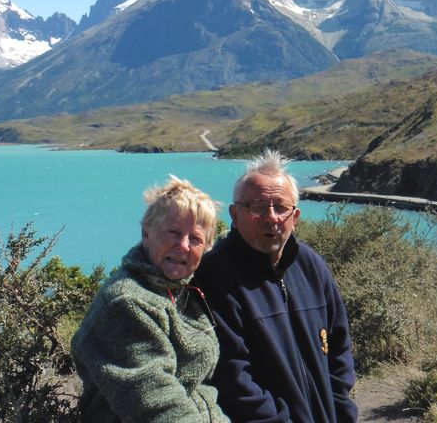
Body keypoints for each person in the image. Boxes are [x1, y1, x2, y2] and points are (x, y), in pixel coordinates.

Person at [194, 150, 358, 423]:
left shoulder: (311, 265)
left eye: (281, 207)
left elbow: (339, 348)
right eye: (257, 206)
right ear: (235, 215)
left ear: (295, 217)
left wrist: (342, 411)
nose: (271, 218)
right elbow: (231, 375)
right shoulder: (215, 275)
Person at [71, 176, 230, 423]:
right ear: (146, 233)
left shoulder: (183, 291)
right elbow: (158, 403)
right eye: (173, 233)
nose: (183, 246)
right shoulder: (126, 303)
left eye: (195, 239)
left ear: (207, 247)